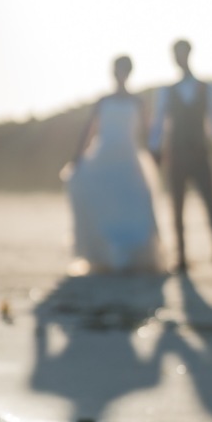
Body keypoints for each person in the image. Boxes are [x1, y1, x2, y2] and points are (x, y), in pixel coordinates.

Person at [63, 56, 163, 273]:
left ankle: (133, 256)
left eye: (124, 70)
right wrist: (77, 157)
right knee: (102, 203)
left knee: (137, 203)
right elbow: (89, 129)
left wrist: (155, 152)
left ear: (129, 73)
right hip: (103, 157)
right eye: (118, 70)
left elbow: (149, 130)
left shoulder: (138, 101)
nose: (120, 74)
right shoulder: (103, 101)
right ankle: (105, 255)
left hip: (129, 157)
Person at [148, 39, 212, 273]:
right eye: (176, 54)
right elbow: (158, 123)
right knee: (177, 204)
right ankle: (182, 256)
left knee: (209, 200)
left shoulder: (208, 89)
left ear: (189, 54)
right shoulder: (166, 92)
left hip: (200, 152)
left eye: (182, 53)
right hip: (175, 154)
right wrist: (154, 149)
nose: (179, 58)